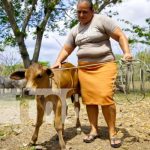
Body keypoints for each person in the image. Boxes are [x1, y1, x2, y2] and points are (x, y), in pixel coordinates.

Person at [52, 0, 132, 148]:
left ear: (92, 11)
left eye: (85, 12)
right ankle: (94, 129)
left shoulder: (101, 20)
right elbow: (66, 48)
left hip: (104, 66)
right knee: (89, 100)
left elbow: (120, 35)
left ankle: (112, 132)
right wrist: (58, 61)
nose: (81, 15)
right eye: (78, 12)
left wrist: (126, 52)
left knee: (105, 96)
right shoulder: (75, 29)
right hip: (84, 70)